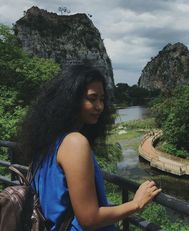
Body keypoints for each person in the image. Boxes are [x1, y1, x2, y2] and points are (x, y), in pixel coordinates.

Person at [19, 64, 161, 230]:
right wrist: (136, 204)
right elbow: (89, 219)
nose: (99, 106)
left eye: (101, 99)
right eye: (92, 99)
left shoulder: (48, 142)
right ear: (71, 99)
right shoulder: (75, 142)